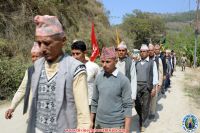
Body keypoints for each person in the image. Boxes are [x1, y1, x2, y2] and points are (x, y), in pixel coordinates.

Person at [27, 15, 90, 133]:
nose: (42, 49)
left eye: (47, 43)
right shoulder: (37, 66)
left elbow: (83, 115)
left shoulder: (75, 68)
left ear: (63, 41)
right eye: (39, 43)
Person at [90, 46, 132, 133]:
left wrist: (127, 128)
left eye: (108, 62)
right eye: (102, 61)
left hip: (116, 125)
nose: (104, 64)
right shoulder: (98, 78)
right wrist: (91, 121)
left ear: (115, 61)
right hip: (99, 124)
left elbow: (127, 106)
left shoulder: (123, 80)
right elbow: (94, 101)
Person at [5, 42, 42, 119]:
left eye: (37, 56)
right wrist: (12, 107)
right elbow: (21, 90)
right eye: (33, 56)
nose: (34, 59)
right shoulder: (30, 71)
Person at [135, 44, 158, 132]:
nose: (142, 53)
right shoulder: (136, 62)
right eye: (141, 51)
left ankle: (143, 123)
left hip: (147, 86)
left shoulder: (152, 63)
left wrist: (154, 88)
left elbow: (155, 76)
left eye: (144, 51)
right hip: (137, 86)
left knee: (145, 105)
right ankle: (141, 116)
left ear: (148, 52)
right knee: (137, 104)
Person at [71, 40, 100, 111]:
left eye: (78, 54)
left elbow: (100, 86)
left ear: (85, 53)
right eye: (73, 54)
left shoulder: (94, 67)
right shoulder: (69, 67)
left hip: (89, 104)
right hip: (73, 105)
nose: (75, 56)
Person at [116, 41, 137, 106]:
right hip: (115, 91)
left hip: (126, 92)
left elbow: (133, 79)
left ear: (126, 51)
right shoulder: (114, 61)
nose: (121, 52)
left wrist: (133, 96)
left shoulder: (130, 62)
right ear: (117, 51)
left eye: (123, 50)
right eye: (119, 50)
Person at [148, 44, 163, 119]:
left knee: (154, 98)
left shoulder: (158, 59)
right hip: (147, 82)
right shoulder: (145, 58)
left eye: (151, 50)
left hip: (155, 82)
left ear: (154, 51)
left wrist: (160, 84)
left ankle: (152, 112)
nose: (150, 51)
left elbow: (160, 72)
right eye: (149, 50)